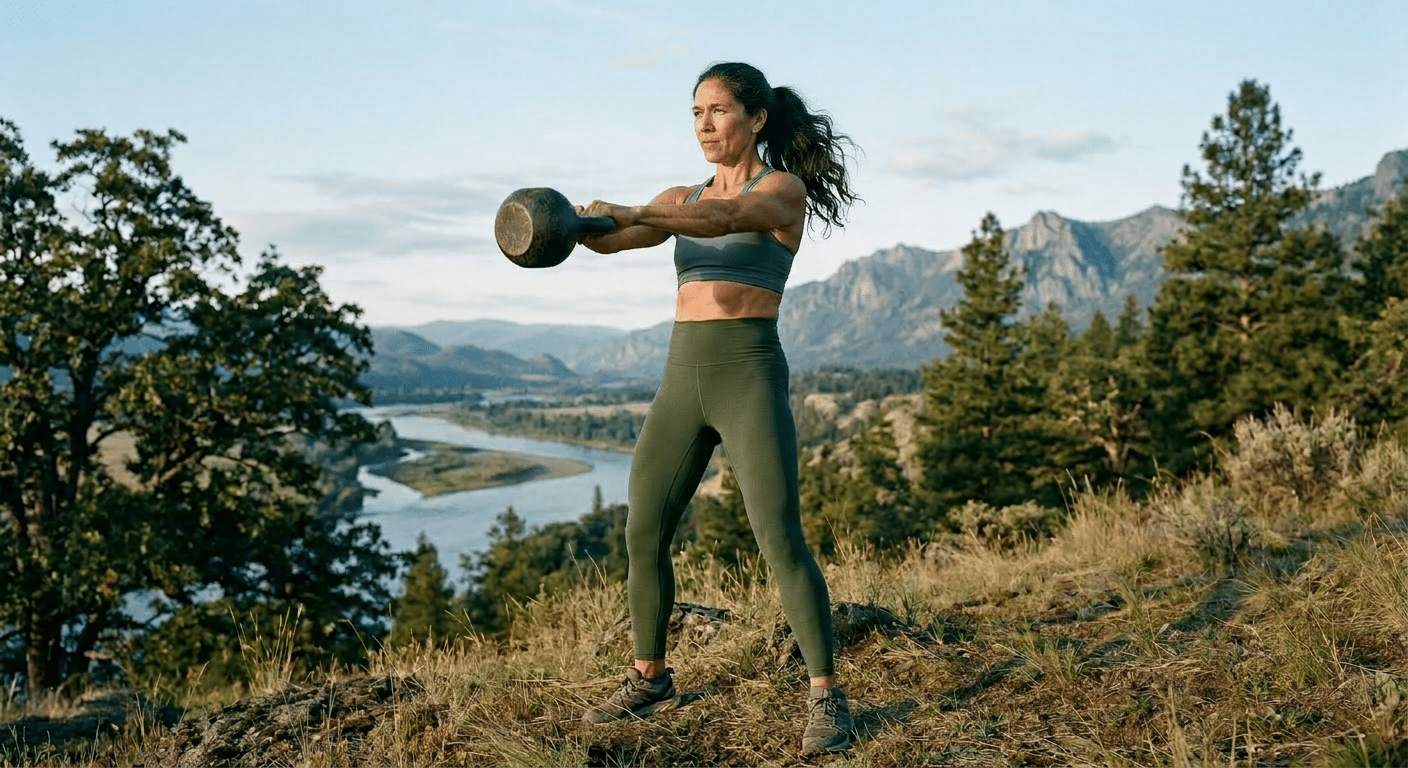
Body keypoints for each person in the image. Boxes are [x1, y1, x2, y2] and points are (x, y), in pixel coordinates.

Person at [572, 62, 861, 756]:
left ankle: (826, 694)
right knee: (644, 529)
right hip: (682, 379)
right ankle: (649, 676)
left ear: (757, 118)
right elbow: (611, 240)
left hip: (747, 377)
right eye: (695, 112)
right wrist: (563, 226)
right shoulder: (680, 195)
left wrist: (639, 210)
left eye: (719, 110)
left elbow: (723, 217)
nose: (704, 124)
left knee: (779, 537)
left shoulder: (780, 190)